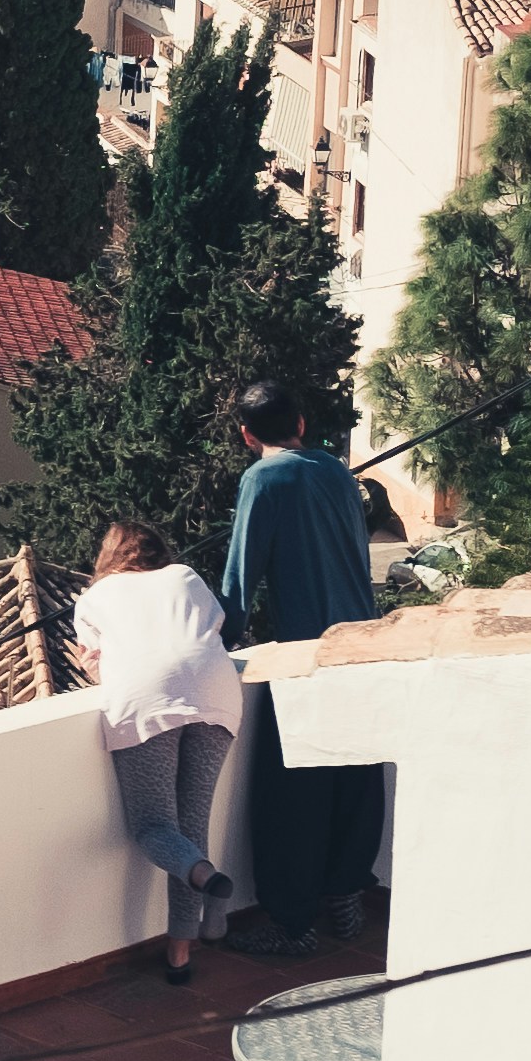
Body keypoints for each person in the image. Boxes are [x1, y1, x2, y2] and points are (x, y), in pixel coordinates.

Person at [220, 380, 385, 956]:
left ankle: (292, 925)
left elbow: (241, 576)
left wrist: (222, 637)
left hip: (307, 651)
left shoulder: (261, 479)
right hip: (363, 643)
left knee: (294, 794)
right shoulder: (336, 471)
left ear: (246, 434)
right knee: (354, 778)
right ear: (302, 423)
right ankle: (345, 892)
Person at [69, 521, 245, 986]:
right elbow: (214, 628)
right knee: (192, 823)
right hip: (216, 692)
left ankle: (205, 878)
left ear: (108, 555)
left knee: (153, 827)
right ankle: (181, 948)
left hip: (146, 700)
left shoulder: (94, 598)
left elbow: (97, 666)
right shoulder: (185, 576)